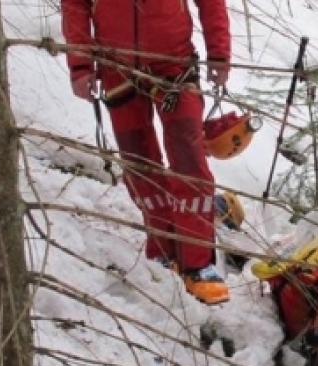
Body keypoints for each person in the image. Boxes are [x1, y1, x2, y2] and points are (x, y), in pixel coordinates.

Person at [62, 0, 232, 305]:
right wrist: (80, 64)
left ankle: (197, 262)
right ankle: (163, 250)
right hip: (117, 68)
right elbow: (75, 5)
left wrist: (218, 53)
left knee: (189, 161)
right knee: (139, 164)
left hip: (174, 65)